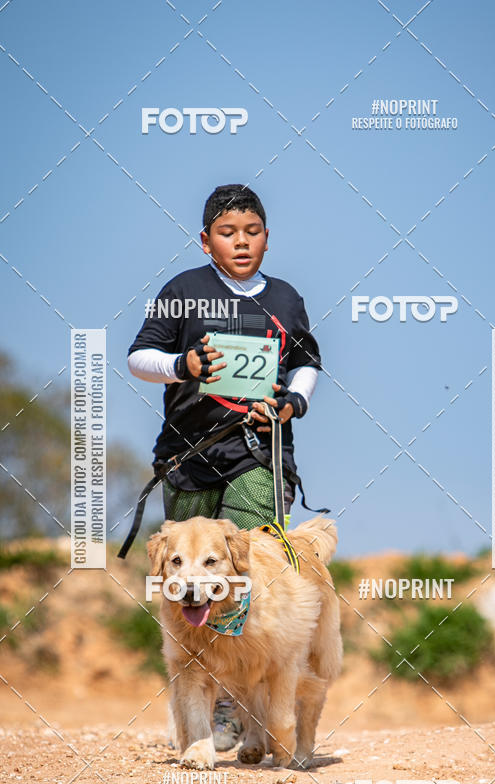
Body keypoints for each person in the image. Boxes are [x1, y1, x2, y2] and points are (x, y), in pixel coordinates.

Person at [127, 184, 321, 750]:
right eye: (228, 232)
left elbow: (307, 362)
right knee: (191, 578)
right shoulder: (182, 292)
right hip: (187, 458)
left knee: (246, 573)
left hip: (258, 454)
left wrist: (293, 401)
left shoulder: (285, 298)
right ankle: (202, 707)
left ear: (267, 239)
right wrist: (183, 364)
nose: (241, 242)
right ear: (206, 240)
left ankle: (234, 709)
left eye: (252, 232)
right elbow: (139, 358)